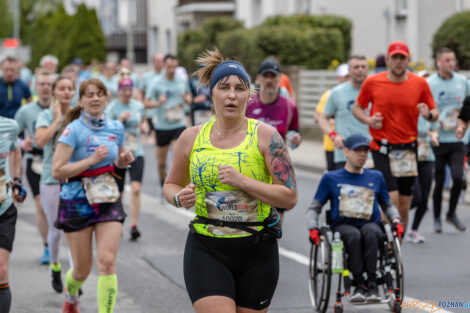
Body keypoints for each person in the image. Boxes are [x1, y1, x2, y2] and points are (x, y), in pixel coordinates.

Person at [163, 48, 297, 313]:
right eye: (224, 87)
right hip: (206, 246)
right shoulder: (190, 138)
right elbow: (170, 185)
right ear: (212, 94)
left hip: (257, 250)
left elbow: (289, 197)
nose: (232, 95)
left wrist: (243, 182)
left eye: (240, 88)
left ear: (249, 94)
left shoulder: (267, 136)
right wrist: (179, 197)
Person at [52, 78, 134, 313]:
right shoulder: (73, 130)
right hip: (76, 200)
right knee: (82, 270)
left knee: (107, 262)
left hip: (107, 197)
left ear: (106, 97)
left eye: (99, 94)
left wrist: (122, 161)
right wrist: (90, 161)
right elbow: (57, 170)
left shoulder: (116, 127)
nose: (95, 98)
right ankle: (71, 295)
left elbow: (116, 160)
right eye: (89, 94)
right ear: (81, 100)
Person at [352, 41, 438, 232]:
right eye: (395, 58)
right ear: (388, 60)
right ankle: (384, 242)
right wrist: (368, 120)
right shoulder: (373, 82)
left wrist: (428, 114)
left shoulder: (419, 83)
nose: (398, 62)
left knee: (405, 204)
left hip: (407, 149)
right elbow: (357, 107)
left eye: (402, 58)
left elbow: (434, 111)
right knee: (392, 198)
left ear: (408, 60)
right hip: (381, 148)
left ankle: (396, 247)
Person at [306, 133, 403, 303]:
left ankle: (372, 284)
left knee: (373, 232)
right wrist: (313, 227)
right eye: (358, 150)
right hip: (343, 226)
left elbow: (387, 204)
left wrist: (396, 220)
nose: (362, 154)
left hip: (370, 223)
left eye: (366, 150)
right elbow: (314, 208)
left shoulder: (376, 176)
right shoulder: (330, 178)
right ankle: (358, 284)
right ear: (346, 152)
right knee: (353, 235)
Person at [246, 59, 301, 223]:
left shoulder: (289, 106)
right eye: (266, 76)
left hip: (278, 168)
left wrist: (297, 139)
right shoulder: (248, 105)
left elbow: (295, 133)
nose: (269, 80)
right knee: (251, 219)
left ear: (279, 79)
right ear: (258, 79)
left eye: (273, 76)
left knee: (276, 225)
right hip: (251, 166)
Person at [35, 76, 75, 293]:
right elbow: (39, 141)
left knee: (72, 229)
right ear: (55, 92)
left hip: (75, 177)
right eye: (62, 88)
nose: (66, 92)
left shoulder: (79, 114)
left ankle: (74, 277)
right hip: (51, 178)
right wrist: (58, 120)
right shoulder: (46, 114)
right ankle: (55, 266)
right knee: (56, 230)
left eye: (70, 88)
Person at [427, 47, 469, 232]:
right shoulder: (430, 83)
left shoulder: (462, 81)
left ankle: (451, 213)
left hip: (458, 138)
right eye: (447, 60)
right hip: (437, 139)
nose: (451, 64)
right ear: (438, 62)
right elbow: (423, 111)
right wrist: (431, 130)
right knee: (439, 179)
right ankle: (437, 217)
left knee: (458, 178)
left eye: (453, 60)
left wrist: (464, 127)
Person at [14, 69, 53, 264]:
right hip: (35, 161)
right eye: (42, 84)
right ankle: (47, 246)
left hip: (57, 161)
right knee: (41, 206)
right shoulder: (26, 111)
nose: (45, 88)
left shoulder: (61, 109)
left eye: (49, 84)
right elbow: (13, 135)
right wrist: (22, 143)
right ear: (35, 87)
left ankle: (57, 241)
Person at [106, 78, 146, 240]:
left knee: (136, 190)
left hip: (136, 152)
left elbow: (143, 120)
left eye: (130, 89)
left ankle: (133, 225)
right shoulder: (112, 108)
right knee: (118, 192)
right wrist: (120, 120)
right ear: (119, 91)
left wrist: (144, 127)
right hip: (119, 156)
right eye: (124, 90)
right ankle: (118, 222)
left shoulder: (138, 106)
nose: (127, 93)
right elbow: (107, 130)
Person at [145, 54, 192, 192]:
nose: (172, 70)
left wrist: (187, 99)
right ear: (164, 66)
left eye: (174, 67)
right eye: (169, 67)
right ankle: (162, 183)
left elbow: (189, 94)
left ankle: (178, 185)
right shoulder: (156, 82)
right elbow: (146, 102)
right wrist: (158, 103)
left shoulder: (181, 80)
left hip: (178, 124)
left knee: (178, 154)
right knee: (161, 162)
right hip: (162, 126)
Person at [317, 55, 371, 169]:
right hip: (345, 154)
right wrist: (333, 136)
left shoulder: (375, 90)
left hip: (370, 155)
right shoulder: (337, 92)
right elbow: (322, 118)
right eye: (356, 67)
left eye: (363, 66)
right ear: (349, 70)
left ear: (367, 69)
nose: (360, 70)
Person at [0, 116, 27, 313]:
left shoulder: (9, 125)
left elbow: (16, 150)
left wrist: (16, 180)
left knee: (1, 271)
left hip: (4, 209)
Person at [408, 115, 438, 243]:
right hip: (408, 158)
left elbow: (435, 129)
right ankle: (394, 216)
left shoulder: (428, 114)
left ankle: (414, 230)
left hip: (427, 157)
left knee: (424, 199)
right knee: (416, 197)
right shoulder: (406, 110)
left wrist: (433, 135)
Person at [315, 63, 349, 171]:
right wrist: (332, 121)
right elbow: (317, 117)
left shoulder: (356, 94)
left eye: (349, 76)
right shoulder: (329, 94)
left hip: (350, 144)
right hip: (332, 144)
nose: (347, 79)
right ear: (338, 77)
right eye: (345, 76)